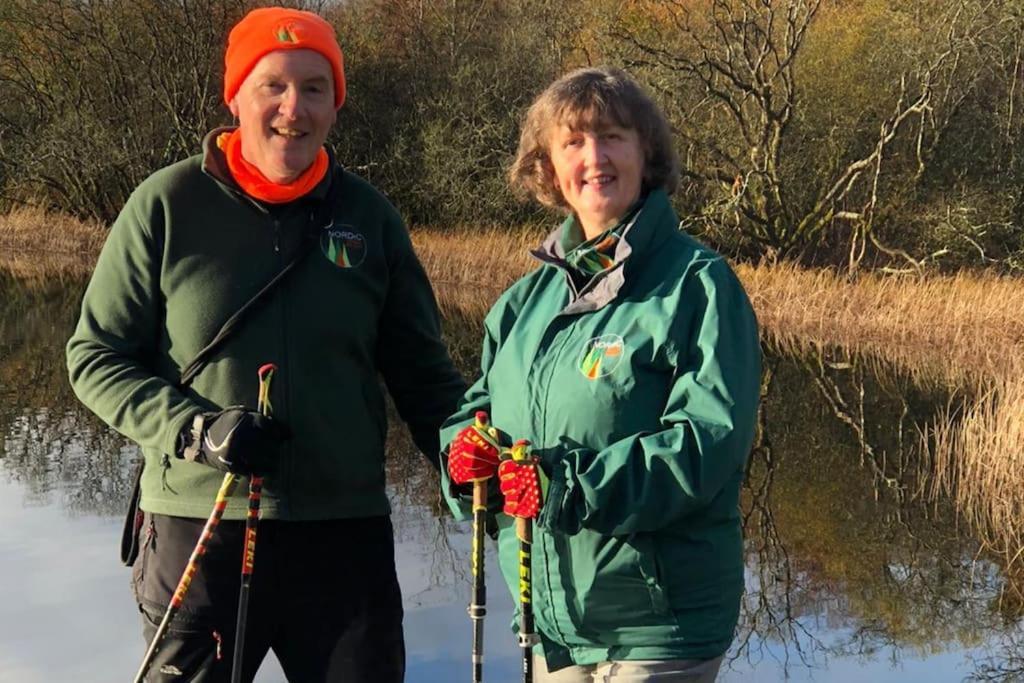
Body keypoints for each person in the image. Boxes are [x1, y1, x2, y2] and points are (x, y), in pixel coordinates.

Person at [66, 7, 465, 681]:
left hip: (344, 532)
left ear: (335, 104)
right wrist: (195, 429)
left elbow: (425, 375)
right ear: (235, 97)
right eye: (272, 85)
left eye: (315, 88)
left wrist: (468, 457)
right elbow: (94, 356)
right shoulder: (166, 204)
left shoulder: (369, 216)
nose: (293, 108)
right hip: (198, 527)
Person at [441, 67, 761, 682]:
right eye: (573, 141)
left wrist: (567, 486)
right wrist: (463, 455)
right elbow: (477, 410)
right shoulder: (522, 303)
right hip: (551, 629)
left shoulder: (698, 284)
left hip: (658, 627)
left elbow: (706, 443)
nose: (595, 157)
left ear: (647, 153)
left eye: (612, 136)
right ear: (548, 168)